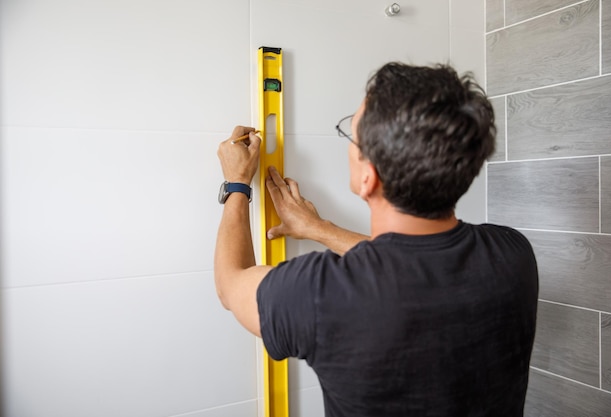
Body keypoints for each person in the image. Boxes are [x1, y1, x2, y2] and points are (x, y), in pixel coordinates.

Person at [215, 63, 538, 417]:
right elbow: (413, 264)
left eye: (350, 137)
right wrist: (319, 228)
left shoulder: (321, 293)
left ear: (368, 178)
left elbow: (230, 284)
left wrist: (237, 184)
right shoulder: (512, 253)